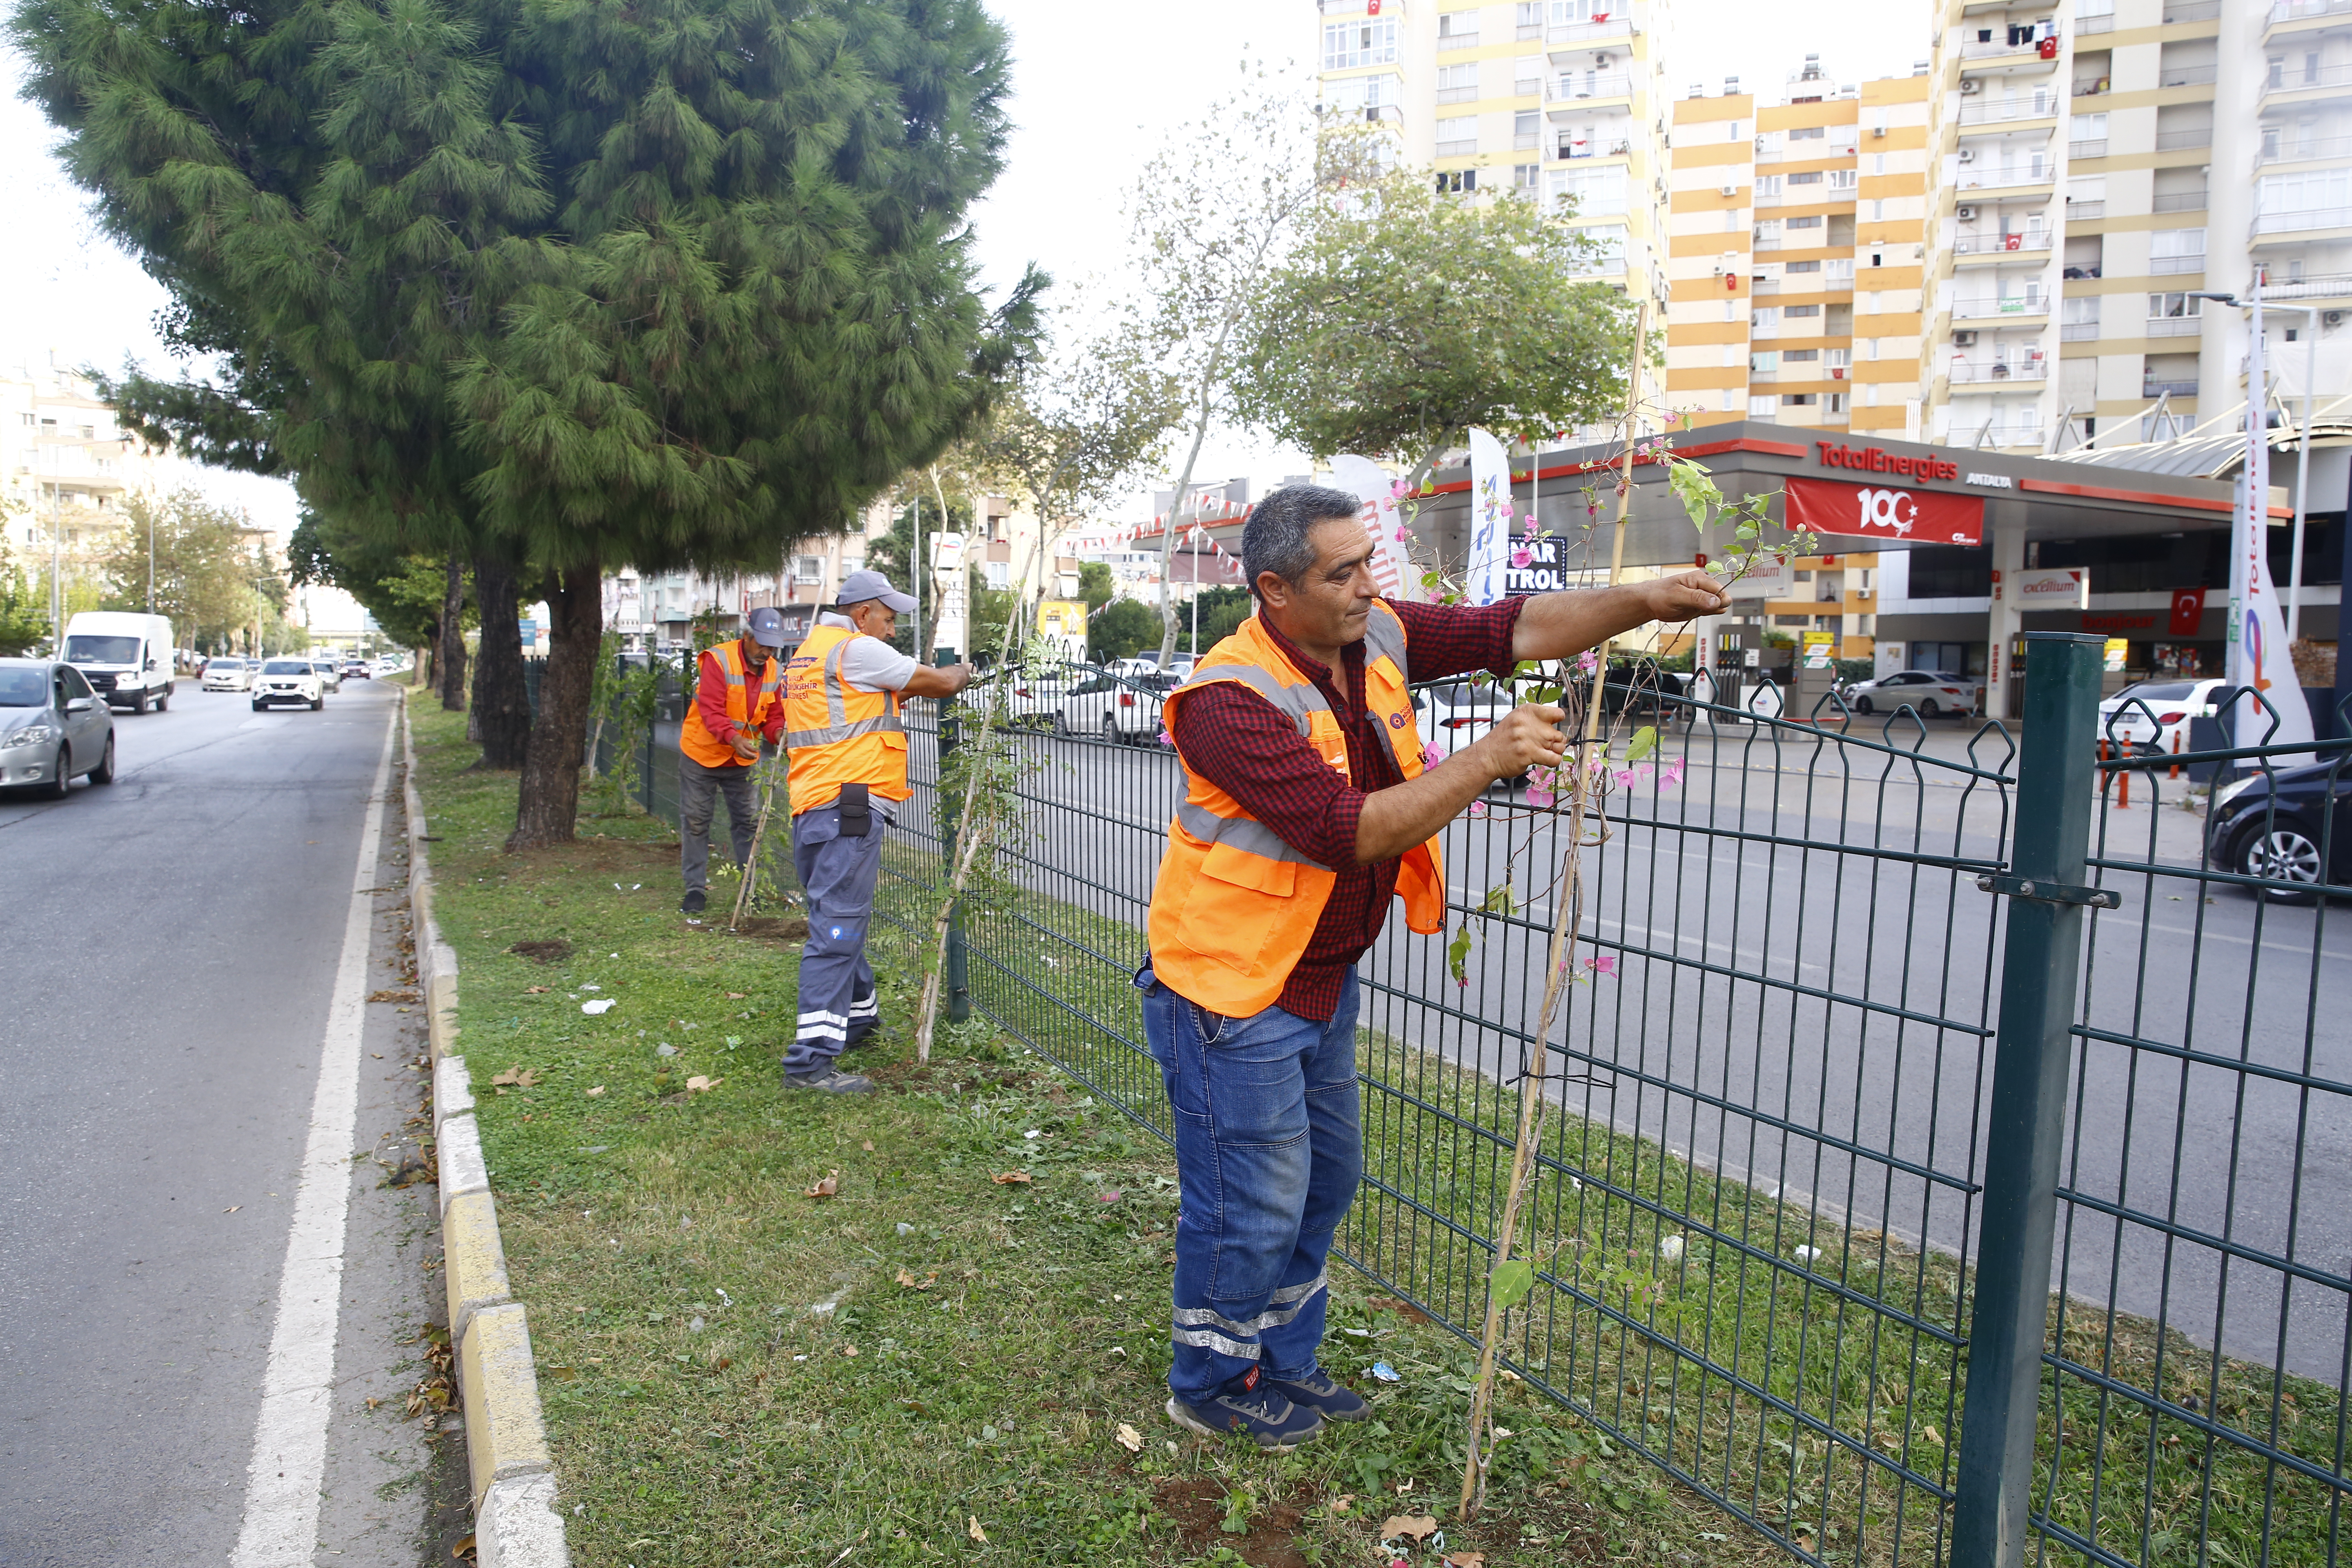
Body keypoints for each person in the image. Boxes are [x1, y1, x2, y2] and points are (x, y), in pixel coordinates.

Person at [1140, 484, 1729, 1451]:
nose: (1368, 585)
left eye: (1369, 561)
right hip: (1229, 987)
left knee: (1322, 1180)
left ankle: (1281, 1359)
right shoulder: (1224, 702)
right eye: (1343, 571)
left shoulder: (1372, 634)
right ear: (1273, 589)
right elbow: (1348, 833)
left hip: (1314, 976)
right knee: (1250, 1195)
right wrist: (1489, 756)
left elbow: (1512, 625)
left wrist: (1642, 599)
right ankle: (1207, 1378)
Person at [779, 570, 973, 1094]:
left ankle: (858, 1020)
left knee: (837, 917)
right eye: (888, 620)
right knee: (837, 929)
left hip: (815, 806)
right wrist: (964, 671)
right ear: (863, 614)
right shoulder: (855, 650)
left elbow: (848, 712)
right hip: (849, 806)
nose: (891, 631)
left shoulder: (808, 655)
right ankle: (811, 1062)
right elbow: (940, 683)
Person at [676, 606, 794, 918]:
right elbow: (712, 710)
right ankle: (695, 890)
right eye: (762, 644)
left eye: (772, 646)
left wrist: (779, 732)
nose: (767, 652)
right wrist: (733, 738)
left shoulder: (775, 671)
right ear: (746, 636)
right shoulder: (718, 660)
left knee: (747, 824)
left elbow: (774, 717)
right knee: (697, 822)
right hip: (703, 754)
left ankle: (750, 889)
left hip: (742, 760)